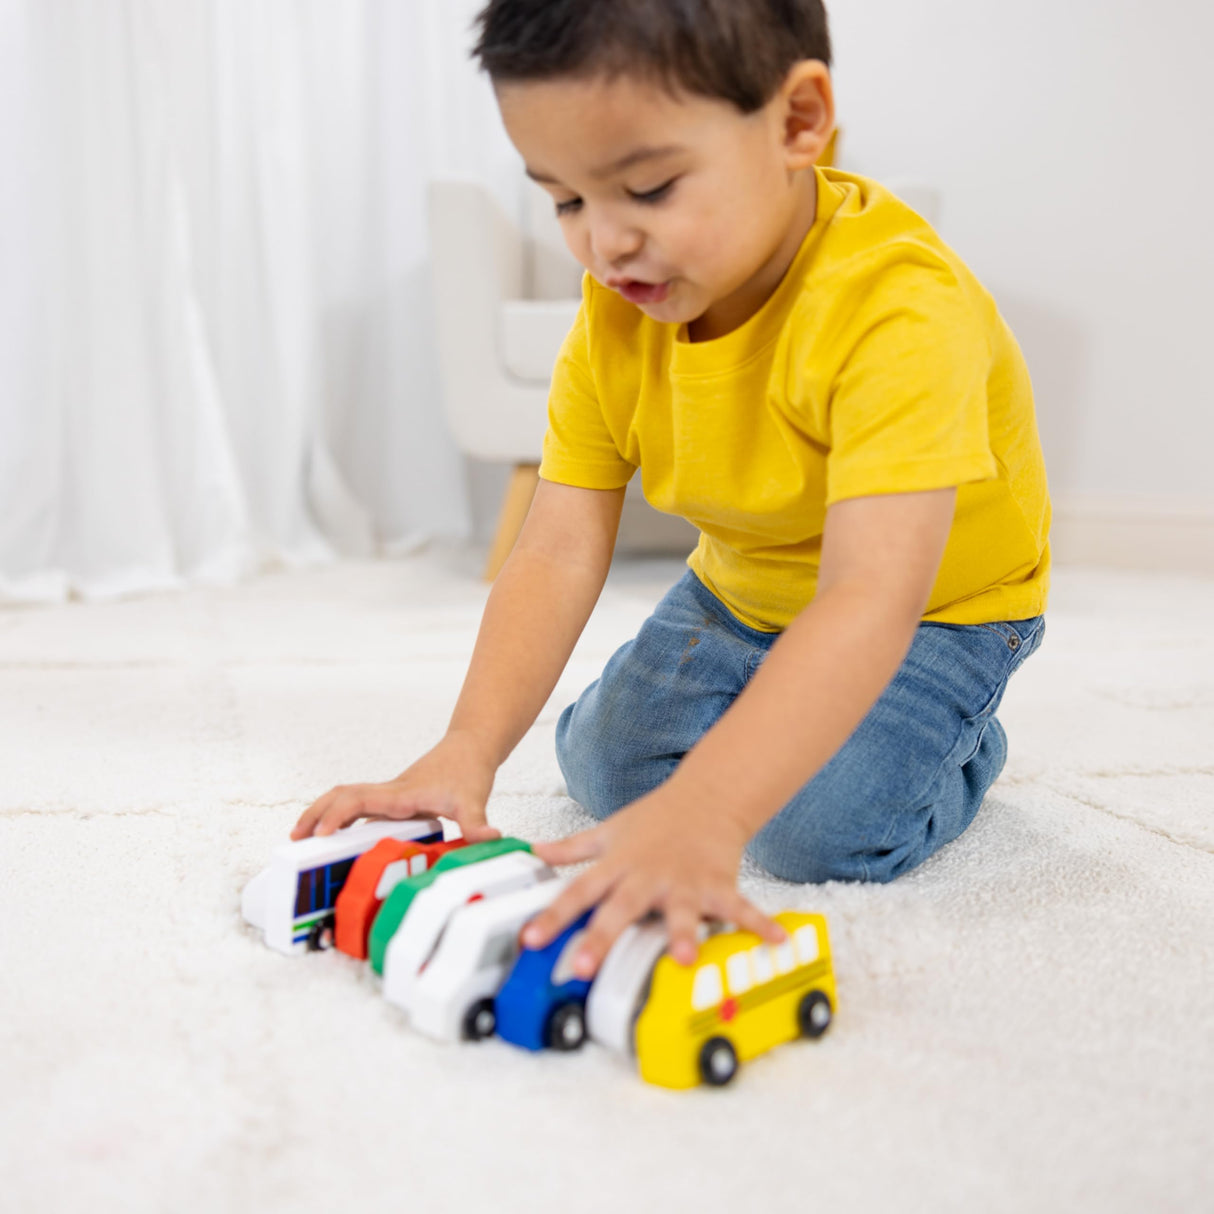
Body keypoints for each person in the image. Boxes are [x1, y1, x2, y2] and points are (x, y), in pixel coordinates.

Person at [291, 0, 1050, 981]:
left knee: (813, 831)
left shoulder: (895, 310)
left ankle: (964, 745)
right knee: (601, 770)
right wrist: (464, 749)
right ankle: (761, 708)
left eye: (645, 188)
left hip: (932, 612)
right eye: (563, 200)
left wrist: (710, 810)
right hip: (741, 589)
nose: (603, 244)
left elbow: (871, 593)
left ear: (794, 122)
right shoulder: (614, 313)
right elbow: (558, 543)